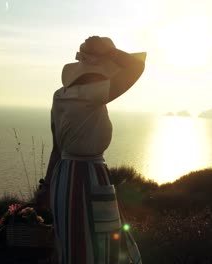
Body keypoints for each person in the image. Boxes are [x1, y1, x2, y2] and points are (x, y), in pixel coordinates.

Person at [37, 36, 146, 264]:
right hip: (89, 177)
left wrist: (46, 186)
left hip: (63, 177)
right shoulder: (95, 93)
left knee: (71, 244)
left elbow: (57, 150)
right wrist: (110, 51)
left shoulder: (60, 95)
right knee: (101, 247)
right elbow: (137, 67)